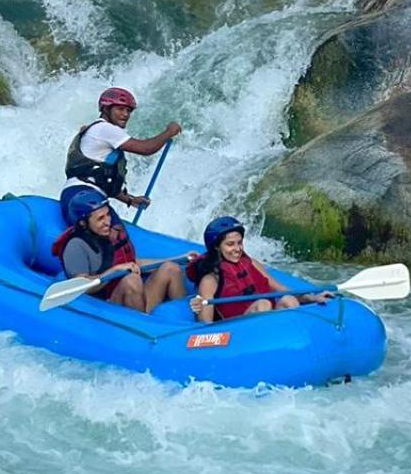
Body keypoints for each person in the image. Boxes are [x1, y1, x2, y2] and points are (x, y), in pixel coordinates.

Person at [60, 85, 182, 228]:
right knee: (117, 236)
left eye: (128, 110)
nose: (125, 114)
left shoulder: (98, 130)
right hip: (84, 194)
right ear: (105, 109)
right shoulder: (105, 129)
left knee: (114, 237)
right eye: (120, 109)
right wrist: (169, 132)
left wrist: (129, 200)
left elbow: (99, 177)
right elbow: (146, 149)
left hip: (76, 194)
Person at [52, 189, 187, 314]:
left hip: (134, 302)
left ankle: (186, 325)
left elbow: (133, 264)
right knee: (131, 281)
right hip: (106, 308)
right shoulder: (75, 247)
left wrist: (179, 258)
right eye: (100, 218)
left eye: (107, 215)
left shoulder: (108, 235)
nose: (107, 222)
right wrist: (115, 271)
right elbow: (82, 286)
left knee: (171, 268)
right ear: (83, 223)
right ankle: (141, 331)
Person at [188, 217, 334, 323]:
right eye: (230, 244)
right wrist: (198, 308)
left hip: (265, 321)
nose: (237, 249)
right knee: (263, 304)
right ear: (216, 247)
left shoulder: (250, 263)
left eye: (240, 243)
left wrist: (313, 298)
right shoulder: (210, 278)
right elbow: (205, 324)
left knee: (288, 300)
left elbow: (281, 289)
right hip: (236, 330)